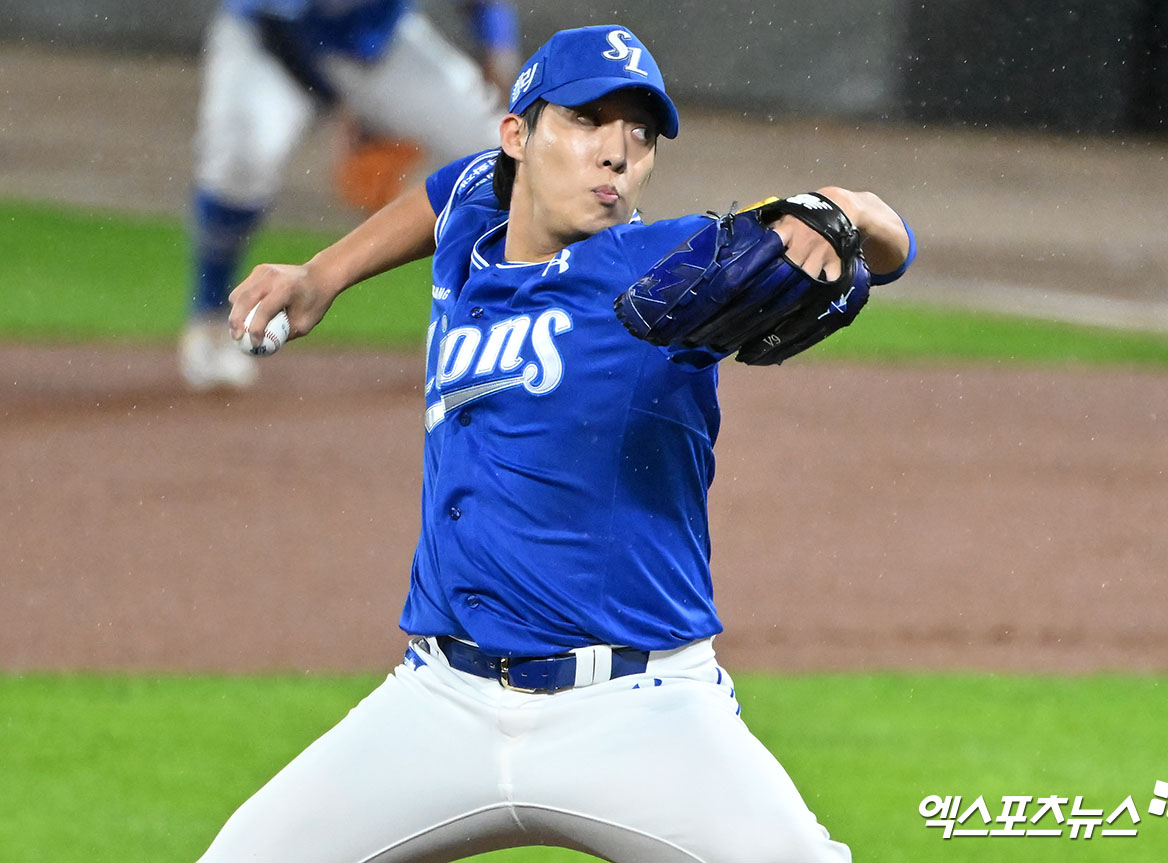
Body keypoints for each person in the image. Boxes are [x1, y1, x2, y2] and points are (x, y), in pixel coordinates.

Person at [205, 24, 915, 862]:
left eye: (639, 134)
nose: (617, 153)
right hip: (442, 703)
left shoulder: (674, 268)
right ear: (518, 136)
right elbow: (445, 191)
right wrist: (321, 273)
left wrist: (847, 212)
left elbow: (883, 245)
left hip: (636, 711)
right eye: (586, 120)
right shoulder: (476, 213)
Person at [180, 0, 518, 390]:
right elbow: (282, 21)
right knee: (241, 159)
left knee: (498, 147)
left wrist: (498, 54)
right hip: (268, 47)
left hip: (377, 42)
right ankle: (209, 318)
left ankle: (494, 323)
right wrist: (349, 107)